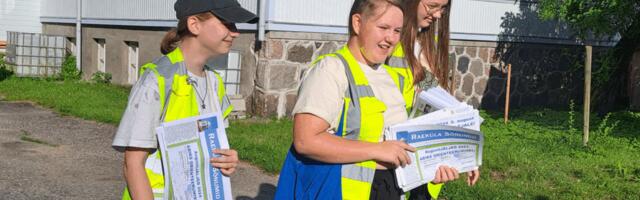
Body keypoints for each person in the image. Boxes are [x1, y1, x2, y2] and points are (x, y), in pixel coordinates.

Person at [111, 0, 257, 199]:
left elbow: (211, 151)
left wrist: (227, 160)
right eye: (227, 22)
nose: (235, 32)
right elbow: (133, 164)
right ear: (194, 24)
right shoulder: (158, 80)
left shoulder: (215, 82)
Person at [274, 0, 420, 199]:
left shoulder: (393, 77)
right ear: (357, 23)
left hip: (391, 189)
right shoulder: (331, 69)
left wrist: (430, 167)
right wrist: (377, 150)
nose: (391, 38)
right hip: (342, 193)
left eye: (397, 31)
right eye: (383, 27)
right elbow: (306, 141)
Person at [386, 0, 481, 199]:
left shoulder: (423, 47)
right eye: (432, 6)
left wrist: (464, 154)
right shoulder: (388, 44)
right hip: (390, 167)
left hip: (418, 170)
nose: (438, 15)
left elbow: (438, 103)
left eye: (443, 8)